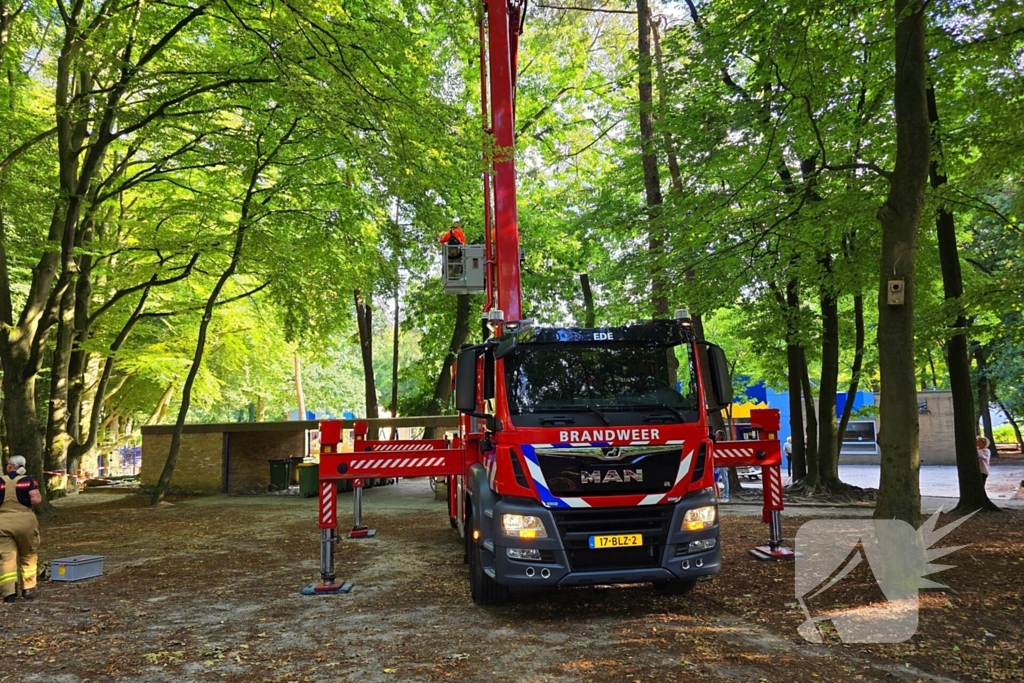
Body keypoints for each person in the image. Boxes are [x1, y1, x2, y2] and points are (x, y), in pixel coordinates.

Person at [0, 456, 42, 603]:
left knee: (6, 558)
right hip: (25, 521)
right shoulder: (29, 481)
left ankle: (9, 593)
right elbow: (36, 500)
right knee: (28, 555)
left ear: (10, 466)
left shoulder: (0, 481)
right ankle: (28, 589)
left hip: (2, 522)